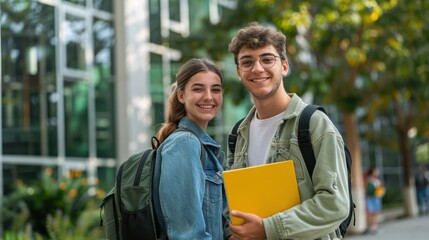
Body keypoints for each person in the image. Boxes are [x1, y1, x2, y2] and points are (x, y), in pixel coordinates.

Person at [224, 22, 350, 239]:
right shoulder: (238, 134)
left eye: (267, 59)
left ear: (284, 66)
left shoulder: (313, 123)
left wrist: (269, 228)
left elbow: (335, 204)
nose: (257, 68)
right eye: (247, 62)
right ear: (238, 71)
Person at [152, 58, 226, 239]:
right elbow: (188, 234)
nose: (209, 96)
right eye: (198, 89)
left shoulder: (200, 145)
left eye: (215, 89)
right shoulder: (185, 143)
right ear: (181, 95)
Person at [365, 167, 385, 234]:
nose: (377, 172)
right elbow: (368, 189)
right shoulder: (369, 179)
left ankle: (374, 227)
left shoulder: (377, 180)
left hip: (376, 198)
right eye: (375, 171)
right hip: (371, 198)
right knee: (370, 213)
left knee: (375, 213)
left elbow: (380, 189)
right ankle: (370, 227)